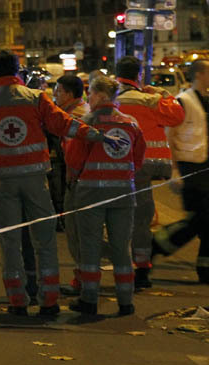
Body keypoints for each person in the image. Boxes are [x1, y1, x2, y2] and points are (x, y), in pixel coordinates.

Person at [0, 50, 122, 316]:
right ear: (18, 71)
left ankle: (17, 302)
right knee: (45, 240)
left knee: (10, 242)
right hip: (36, 181)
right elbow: (64, 125)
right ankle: (49, 300)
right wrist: (96, 135)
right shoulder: (36, 98)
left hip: (2, 183)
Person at [65, 76, 146, 316]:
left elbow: (74, 159)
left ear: (100, 96)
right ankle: (125, 301)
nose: (88, 98)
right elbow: (138, 158)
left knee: (90, 248)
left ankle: (89, 300)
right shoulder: (131, 124)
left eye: (90, 94)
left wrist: (74, 178)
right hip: (123, 193)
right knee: (122, 247)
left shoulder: (86, 123)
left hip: (91, 193)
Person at [113, 56, 186, 289]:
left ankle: (119, 267)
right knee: (141, 220)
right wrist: (164, 94)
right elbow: (177, 116)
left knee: (116, 218)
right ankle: (141, 269)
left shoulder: (111, 101)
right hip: (148, 166)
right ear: (139, 76)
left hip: (115, 167)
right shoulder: (151, 100)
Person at [153, 59, 209, 284]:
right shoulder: (183, 102)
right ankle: (154, 245)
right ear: (200, 75)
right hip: (192, 169)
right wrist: (174, 170)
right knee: (202, 219)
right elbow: (170, 136)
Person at [51, 75, 91, 293]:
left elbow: (74, 154)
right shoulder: (82, 111)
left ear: (68, 94)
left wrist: (70, 178)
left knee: (77, 232)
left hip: (78, 181)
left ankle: (83, 281)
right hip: (87, 180)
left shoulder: (74, 117)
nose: (55, 95)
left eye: (57, 91)